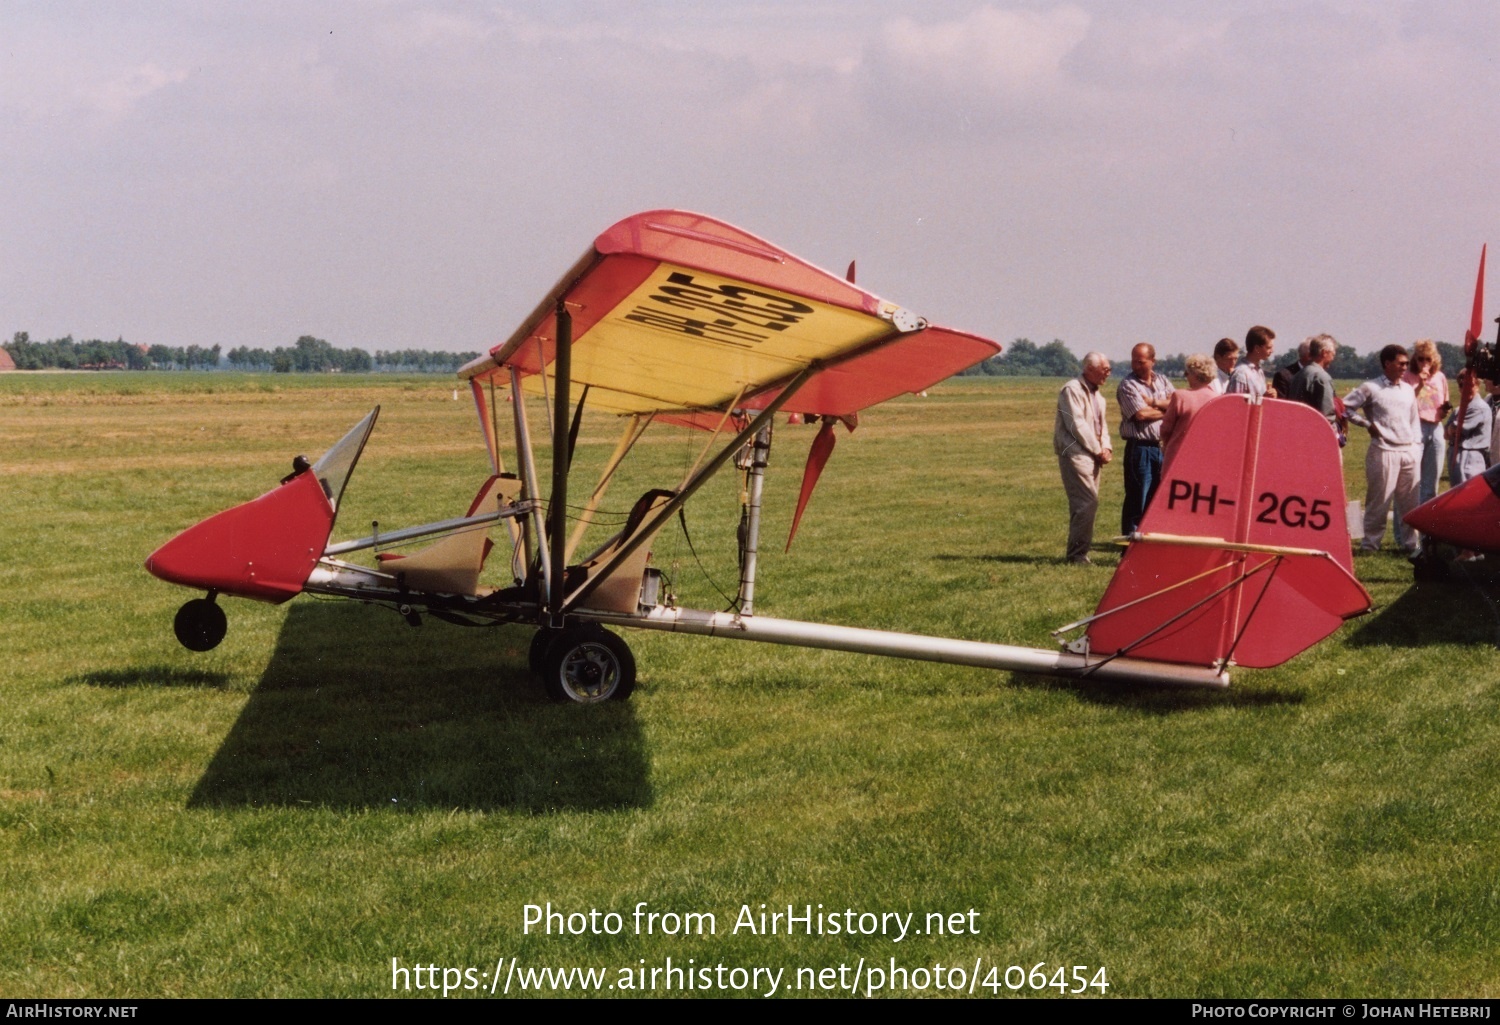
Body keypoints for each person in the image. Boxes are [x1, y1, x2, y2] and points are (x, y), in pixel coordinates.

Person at [1343, 345, 1421, 553]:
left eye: (1407, 363)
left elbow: (1414, 421)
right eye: (1401, 363)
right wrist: (1367, 425)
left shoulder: (1407, 390)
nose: (1405, 367)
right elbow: (1344, 408)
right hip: (1383, 450)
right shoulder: (1371, 387)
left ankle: (1411, 544)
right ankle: (1370, 545)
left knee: (1410, 503)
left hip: (1408, 451)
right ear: (1387, 363)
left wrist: (1416, 447)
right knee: (1379, 501)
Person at [1054, 353, 1113, 563]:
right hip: (1075, 454)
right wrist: (1098, 450)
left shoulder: (1099, 397)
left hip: (1093, 455)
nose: (1109, 372)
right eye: (1104, 368)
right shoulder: (1072, 390)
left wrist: (1106, 447)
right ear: (1089, 368)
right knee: (1087, 503)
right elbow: (1076, 425)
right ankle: (1077, 556)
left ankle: (1078, 553)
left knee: (1085, 505)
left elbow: (1102, 426)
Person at [1116, 342, 1175, 535]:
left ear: (1153, 361)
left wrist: (1156, 405)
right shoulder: (1127, 385)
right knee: (1137, 498)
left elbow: (1177, 404)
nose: (1136, 366)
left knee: (1156, 499)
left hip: (1161, 447)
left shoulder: (1163, 381)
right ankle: (1129, 550)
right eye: (1134, 362)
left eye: (1141, 362)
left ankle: (1148, 547)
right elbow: (1140, 415)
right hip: (1139, 449)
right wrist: (1167, 411)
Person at [1402, 339, 1451, 505]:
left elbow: (1444, 401)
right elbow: (1406, 402)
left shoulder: (1440, 377)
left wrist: (1445, 410)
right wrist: (1420, 384)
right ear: (1415, 359)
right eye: (1420, 359)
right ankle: (1407, 524)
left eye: (1428, 359)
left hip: (1436, 427)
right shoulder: (1408, 376)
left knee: (1432, 480)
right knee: (1412, 478)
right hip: (1417, 426)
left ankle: (1426, 528)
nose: (1424, 363)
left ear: (1434, 360)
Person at [1160, 354, 1219, 468]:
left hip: (1177, 458)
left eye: (1187, 373)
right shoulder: (1217, 399)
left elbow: (1165, 429)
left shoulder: (1180, 396)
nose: (1186, 376)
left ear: (1195, 374)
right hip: (1205, 459)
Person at [1445, 369, 1491, 486]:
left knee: (1466, 491)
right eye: (1462, 385)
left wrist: (1451, 429)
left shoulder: (1479, 407)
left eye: (1470, 384)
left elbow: (1457, 428)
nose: (1465, 388)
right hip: (1456, 454)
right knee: (1455, 492)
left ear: (1477, 385)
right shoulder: (1459, 410)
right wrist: (1451, 429)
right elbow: (1446, 433)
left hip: (1470, 455)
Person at [1287, 334, 1340, 431]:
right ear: (1324, 353)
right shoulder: (1321, 377)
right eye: (1332, 354)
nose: (1333, 359)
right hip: (1316, 434)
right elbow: (1327, 416)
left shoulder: (1298, 375)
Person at [1227, 326, 1275, 399]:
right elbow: (1236, 405)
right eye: (1268, 347)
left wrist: (1269, 396)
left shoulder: (1259, 371)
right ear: (1257, 348)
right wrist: (1263, 399)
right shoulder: (1241, 374)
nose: (1272, 351)